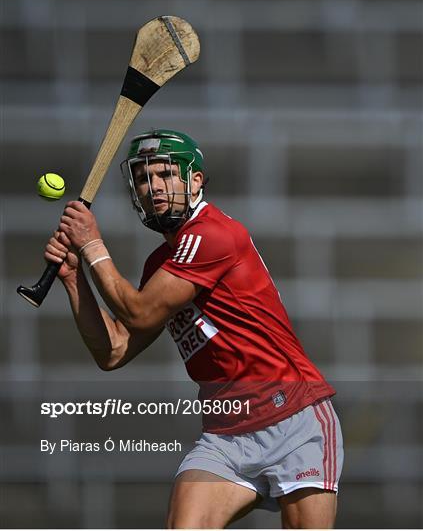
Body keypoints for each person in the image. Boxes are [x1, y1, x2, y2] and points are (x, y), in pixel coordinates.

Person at [44, 129, 343, 529]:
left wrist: (92, 244)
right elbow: (113, 351)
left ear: (195, 180)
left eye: (165, 174)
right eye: (143, 179)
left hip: (293, 417)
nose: (154, 187)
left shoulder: (214, 234)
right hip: (226, 432)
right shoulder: (160, 264)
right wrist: (74, 279)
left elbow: (140, 313)